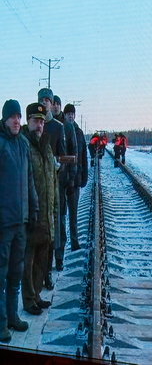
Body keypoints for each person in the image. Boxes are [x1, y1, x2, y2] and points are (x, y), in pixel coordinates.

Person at [0, 99, 39, 342]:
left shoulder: (24, 145)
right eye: (12, 117)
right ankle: (1, 323)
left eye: (18, 117)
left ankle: (12, 316)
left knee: (16, 273)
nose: (17, 121)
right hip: (3, 224)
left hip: (21, 223)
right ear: (5, 119)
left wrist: (33, 211)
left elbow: (30, 182)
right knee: (1, 275)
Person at [21, 103, 56, 316]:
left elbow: (52, 180)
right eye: (35, 121)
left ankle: (36, 295)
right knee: (29, 260)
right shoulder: (24, 145)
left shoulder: (46, 145)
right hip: (31, 215)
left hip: (46, 215)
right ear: (28, 122)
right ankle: (27, 299)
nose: (39, 125)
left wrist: (54, 207)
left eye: (42, 121)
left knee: (42, 259)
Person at [38, 88, 66, 291]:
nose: (45, 103)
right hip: (35, 185)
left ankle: (48, 270)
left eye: (48, 100)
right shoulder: (32, 125)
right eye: (42, 100)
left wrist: (58, 166)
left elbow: (64, 156)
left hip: (53, 185)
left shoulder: (57, 127)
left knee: (51, 231)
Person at [52, 96, 78, 271]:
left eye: (56, 104)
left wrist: (71, 178)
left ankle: (59, 257)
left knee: (60, 220)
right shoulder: (44, 125)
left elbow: (73, 153)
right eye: (51, 104)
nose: (54, 107)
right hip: (46, 184)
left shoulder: (66, 127)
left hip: (62, 182)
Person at [63, 103, 87, 251]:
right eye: (68, 114)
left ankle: (74, 242)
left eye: (72, 113)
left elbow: (83, 156)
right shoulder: (61, 129)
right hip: (62, 179)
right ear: (65, 115)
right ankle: (60, 246)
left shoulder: (79, 133)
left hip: (76, 179)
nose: (71, 116)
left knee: (73, 215)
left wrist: (84, 176)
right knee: (60, 215)